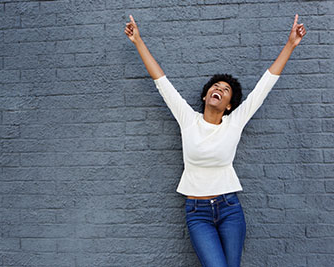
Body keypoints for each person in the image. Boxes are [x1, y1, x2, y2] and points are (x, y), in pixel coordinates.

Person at [125, 13, 306, 267]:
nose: (218, 89)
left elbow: (265, 85)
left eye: (225, 89)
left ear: (230, 105)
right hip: (197, 214)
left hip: (229, 208)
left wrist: (290, 45)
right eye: (215, 86)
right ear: (205, 95)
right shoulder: (188, 119)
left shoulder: (235, 122)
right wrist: (138, 42)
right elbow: (161, 82)